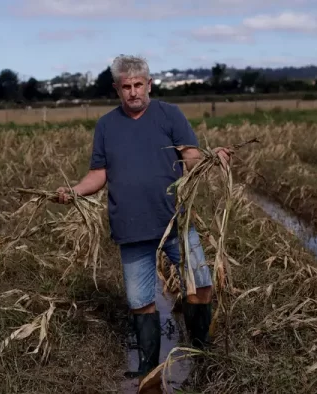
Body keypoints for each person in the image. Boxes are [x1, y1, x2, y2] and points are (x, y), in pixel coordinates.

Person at [54, 54, 232, 379]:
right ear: (117, 89)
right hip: (131, 228)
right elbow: (98, 173)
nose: (134, 92)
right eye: (127, 87)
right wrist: (75, 191)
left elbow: (190, 156)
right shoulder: (107, 125)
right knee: (141, 302)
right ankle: (149, 371)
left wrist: (209, 157)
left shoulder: (170, 115)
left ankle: (201, 353)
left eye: (139, 85)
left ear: (149, 84)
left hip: (175, 221)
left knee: (200, 285)